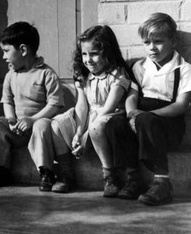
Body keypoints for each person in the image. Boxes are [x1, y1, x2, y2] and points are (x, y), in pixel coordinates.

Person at [106, 13, 191, 205]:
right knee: (116, 123)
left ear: (173, 41)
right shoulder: (140, 67)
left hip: (168, 124)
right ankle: (134, 178)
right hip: (141, 118)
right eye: (146, 43)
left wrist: (146, 115)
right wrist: (132, 113)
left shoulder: (183, 69)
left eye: (158, 42)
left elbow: (181, 105)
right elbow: (133, 95)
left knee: (146, 120)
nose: (152, 48)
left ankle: (162, 182)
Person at [36, 25, 137, 196]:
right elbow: (82, 105)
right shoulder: (83, 74)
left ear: (108, 52)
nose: (88, 59)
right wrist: (78, 131)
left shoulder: (118, 74)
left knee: (97, 125)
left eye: (94, 54)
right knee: (56, 124)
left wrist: (85, 135)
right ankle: (67, 174)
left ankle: (109, 176)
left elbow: (108, 108)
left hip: (107, 117)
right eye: (84, 54)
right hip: (89, 115)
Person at [0, 21, 64, 189]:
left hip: (39, 127)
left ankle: (46, 172)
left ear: (23, 50)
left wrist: (32, 120)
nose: (3, 57)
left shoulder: (46, 74)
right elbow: (7, 101)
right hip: (17, 128)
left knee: (42, 125)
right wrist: (10, 119)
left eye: (6, 51)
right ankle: (2, 169)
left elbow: (55, 104)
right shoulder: (11, 75)